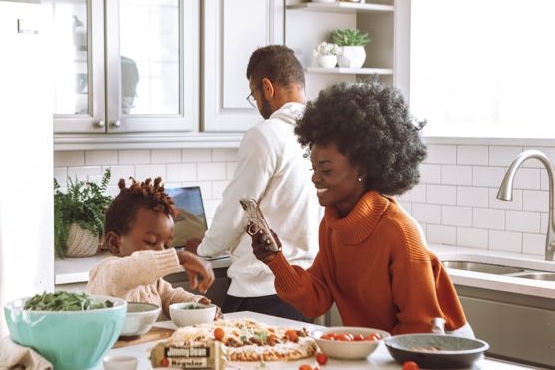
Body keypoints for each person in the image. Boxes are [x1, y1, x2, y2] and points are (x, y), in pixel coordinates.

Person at [249, 80, 473, 336]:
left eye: (326, 170)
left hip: (439, 352)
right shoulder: (333, 225)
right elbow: (317, 298)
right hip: (383, 351)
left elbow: (420, 329)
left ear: (362, 171)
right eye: (313, 168)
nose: (315, 178)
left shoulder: (400, 233)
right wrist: (275, 259)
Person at [185, 45, 320, 321]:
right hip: (306, 288)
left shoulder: (266, 135)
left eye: (254, 95)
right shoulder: (324, 134)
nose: (257, 104)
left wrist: (202, 250)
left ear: (267, 87)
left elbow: (237, 211)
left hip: (260, 292)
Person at [85, 177, 219, 320]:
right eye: (151, 242)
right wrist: (181, 257)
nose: (162, 251)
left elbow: (170, 297)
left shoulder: (152, 281)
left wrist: (196, 304)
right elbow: (129, 269)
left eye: (167, 245)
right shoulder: (107, 272)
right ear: (115, 243)